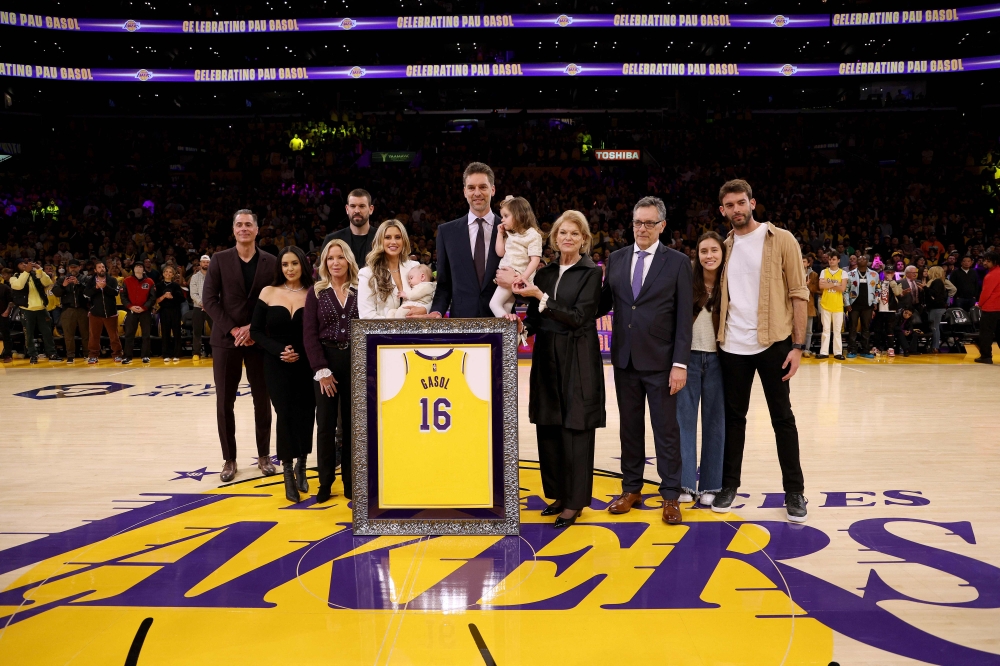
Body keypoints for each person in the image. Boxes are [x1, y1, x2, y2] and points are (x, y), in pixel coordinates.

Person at [711, 179, 810, 523]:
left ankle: (795, 491)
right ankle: (728, 486)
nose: (736, 209)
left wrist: (798, 345)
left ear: (753, 203)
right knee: (733, 420)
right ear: (722, 210)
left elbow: (799, 293)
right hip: (732, 347)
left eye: (742, 202)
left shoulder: (781, 239)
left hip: (774, 343)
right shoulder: (723, 246)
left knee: (783, 418)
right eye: (729, 205)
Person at [504, 210, 605, 528]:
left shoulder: (591, 273)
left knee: (575, 429)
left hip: (577, 357)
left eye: (575, 233)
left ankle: (575, 503)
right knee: (548, 427)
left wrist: (539, 296)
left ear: (584, 239)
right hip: (546, 356)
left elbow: (579, 317)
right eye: (563, 232)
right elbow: (534, 318)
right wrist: (519, 326)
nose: (568, 238)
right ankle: (559, 495)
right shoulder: (545, 273)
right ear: (554, 237)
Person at [599, 196, 693, 526]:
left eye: (649, 223)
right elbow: (601, 303)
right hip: (624, 360)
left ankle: (670, 495)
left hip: (662, 362)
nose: (642, 228)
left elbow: (684, 318)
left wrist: (680, 364)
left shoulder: (679, 262)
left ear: (662, 226)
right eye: (638, 222)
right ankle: (631, 489)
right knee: (630, 429)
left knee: (666, 431)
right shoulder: (618, 257)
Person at [202, 209, 278, 482]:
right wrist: (234, 328)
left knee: (262, 400)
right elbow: (209, 300)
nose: (244, 228)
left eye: (249, 224)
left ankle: (264, 455)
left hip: (260, 341)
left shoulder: (272, 261)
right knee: (225, 402)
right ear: (233, 230)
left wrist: (254, 330)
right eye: (239, 224)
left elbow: (277, 300)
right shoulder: (219, 260)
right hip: (226, 341)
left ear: (257, 230)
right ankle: (229, 459)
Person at [250, 246, 316, 503]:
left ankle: (302, 465)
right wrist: (280, 350)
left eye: (294, 264)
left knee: (305, 414)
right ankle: (287, 471)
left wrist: (298, 350)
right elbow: (256, 331)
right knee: (285, 414)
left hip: (306, 362)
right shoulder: (268, 292)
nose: (289, 269)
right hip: (276, 363)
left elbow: (316, 330)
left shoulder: (314, 293)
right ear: (280, 267)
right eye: (285, 264)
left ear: (303, 265)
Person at [304, 239, 360, 502]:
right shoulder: (316, 292)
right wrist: (321, 369)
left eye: (339, 257)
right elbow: (309, 334)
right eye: (329, 258)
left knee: (351, 425)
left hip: (356, 360)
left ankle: (350, 482)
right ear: (324, 263)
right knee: (325, 425)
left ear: (348, 259)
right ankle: (325, 482)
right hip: (325, 361)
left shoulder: (361, 290)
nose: (335, 262)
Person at [677, 232, 726, 507]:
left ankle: (711, 485)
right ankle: (685, 483)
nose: (709, 256)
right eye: (704, 250)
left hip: (720, 361)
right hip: (689, 359)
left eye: (714, 250)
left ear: (722, 253)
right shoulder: (686, 283)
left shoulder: (730, 284)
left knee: (715, 424)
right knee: (684, 422)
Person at [429, 162, 509, 318]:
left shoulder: (511, 230)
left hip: (501, 322)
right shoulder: (447, 232)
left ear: (492, 190)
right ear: (465, 191)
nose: (477, 193)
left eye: (483, 187)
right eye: (471, 188)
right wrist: (436, 311)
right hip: (462, 323)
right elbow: (444, 284)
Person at [489, 196, 543, 317]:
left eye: (506, 216)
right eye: (502, 216)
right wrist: (500, 234)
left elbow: (535, 260)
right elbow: (500, 252)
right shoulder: (510, 234)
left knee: (494, 304)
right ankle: (508, 333)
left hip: (517, 276)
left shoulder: (533, 235)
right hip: (504, 275)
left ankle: (507, 329)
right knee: (506, 308)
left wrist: (522, 277)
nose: (502, 220)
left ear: (518, 215)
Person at [357, 219, 421, 318]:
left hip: (414, 331)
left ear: (403, 240)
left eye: (398, 237)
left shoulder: (414, 267)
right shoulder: (367, 274)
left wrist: (423, 309)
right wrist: (396, 327)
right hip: (383, 333)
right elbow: (367, 315)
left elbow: (427, 298)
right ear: (380, 241)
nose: (393, 242)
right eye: (387, 237)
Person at [11, 259, 60, 363]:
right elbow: (19, 285)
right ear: (16, 266)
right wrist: (26, 272)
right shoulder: (14, 277)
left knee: (47, 333)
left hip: (41, 309)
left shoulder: (35, 275)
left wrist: (39, 270)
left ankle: (52, 353)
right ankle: (33, 355)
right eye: (21, 263)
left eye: (25, 263)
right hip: (27, 309)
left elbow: (47, 282)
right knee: (28, 334)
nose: (24, 265)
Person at [322, 188, 378, 266]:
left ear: (371, 209)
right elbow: (323, 273)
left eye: (362, 206)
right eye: (353, 206)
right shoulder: (331, 240)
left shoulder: (382, 238)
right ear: (347, 209)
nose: (357, 210)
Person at [84, 261, 124, 363]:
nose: (102, 269)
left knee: (114, 336)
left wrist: (105, 287)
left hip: (110, 312)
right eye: (99, 267)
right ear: (95, 270)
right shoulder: (91, 281)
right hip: (95, 313)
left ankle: (117, 354)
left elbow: (115, 292)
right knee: (94, 336)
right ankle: (93, 355)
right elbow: (86, 294)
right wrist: (96, 288)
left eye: (103, 267)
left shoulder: (112, 280)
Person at [51, 259, 89, 363]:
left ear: (79, 267)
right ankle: (70, 356)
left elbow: (89, 292)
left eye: (75, 267)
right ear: (68, 268)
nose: (73, 269)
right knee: (68, 335)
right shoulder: (61, 279)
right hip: (68, 309)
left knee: (86, 334)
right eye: (71, 267)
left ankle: (87, 354)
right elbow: (56, 293)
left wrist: (79, 284)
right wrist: (63, 286)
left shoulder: (85, 278)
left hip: (83, 309)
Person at [845, 254, 879, 359]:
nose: (862, 259)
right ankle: (852, 350)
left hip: (868, 305)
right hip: (854, 305)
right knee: (852, 328)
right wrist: (847, 303)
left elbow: (878, 289)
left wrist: (875, 302)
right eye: (859, 258)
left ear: (868, 261)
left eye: (864, 258)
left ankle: (865, 350)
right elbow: (846, 290)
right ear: (856, 262)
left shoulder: (874, 274)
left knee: (866, 328)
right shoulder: (850, 274)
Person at [121, 263, 155, 365]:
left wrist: (144, 307)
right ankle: (127, 356)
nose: (139, 268)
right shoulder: (127, 281)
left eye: (141, 266)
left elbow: (152, 297)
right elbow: (123, 296)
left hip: (145, 311)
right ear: (133, 269)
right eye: (137, 266)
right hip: (132, 310)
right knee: (129, 334)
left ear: (143, 269)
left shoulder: (150, 281)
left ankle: (145, 356)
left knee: (146, 335)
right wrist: (130, 306)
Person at [817, 252, 847, 360]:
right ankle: (824, 352)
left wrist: (828, 285)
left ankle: (837, 352)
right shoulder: (823, 272)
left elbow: (842, 288)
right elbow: (821, 286)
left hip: (838, 305)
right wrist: (835, 284)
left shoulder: (843, 273)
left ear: (838, 260)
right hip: (825, 304)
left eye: (833, 259)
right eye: (830, 259)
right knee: (825, 329)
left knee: (837, 330)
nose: (831, 261)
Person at [974, 250, 999, 364]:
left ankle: (986, 356)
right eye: (984, 260)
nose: (984, 263)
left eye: (988, 261)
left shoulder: (991, 275)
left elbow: (986, 292)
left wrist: (980, 303)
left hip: (990, 308)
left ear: (994, 261)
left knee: (985, 333)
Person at [155, 265, 185, 362]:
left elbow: (181, 299)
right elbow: (156, 300)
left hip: (175, 311)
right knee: (165, 332)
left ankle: (177, 354)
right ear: (163, 274)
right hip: (164, 311)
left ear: (173, 275)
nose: (168, 273)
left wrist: (172, 297)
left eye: (170, 272)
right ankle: (166, 354)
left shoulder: (176, 286)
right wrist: (164, 296)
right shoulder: (159, 286)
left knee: (177, 332)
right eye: (166, 272)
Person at [923, 266, 955, 353]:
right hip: (936, 308)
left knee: (934, 327)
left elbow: (934, 293)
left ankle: (935, 347)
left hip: (936, 308)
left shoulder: (937, 281)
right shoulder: (938, 281)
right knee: (934, 327)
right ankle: (934, 346)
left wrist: (925, 288)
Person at [189, 254, 212, 360]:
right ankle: (196, 353)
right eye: (203, 262)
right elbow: (193, 294)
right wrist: (202, 303)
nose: (205, 264)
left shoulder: (215, 276)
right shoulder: (194, 277)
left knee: (216, 330)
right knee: (197, 331)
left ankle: (216, 352)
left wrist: (210, 304)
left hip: (212, 307)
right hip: (198, 307)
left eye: (207, 262)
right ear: (200, 263)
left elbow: (218, 292)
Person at [803, 253, 820, 356]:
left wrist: (808, 286)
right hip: (796, 304)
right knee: (796, 329)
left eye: (804, 261)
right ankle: (796, 348)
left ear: (808, 263)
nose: (802, 263)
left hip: (809, 304)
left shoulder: (813, 275)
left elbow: (817, 289)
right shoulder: (795, 273)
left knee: (808, 330)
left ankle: (806, 349)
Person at [0, 278, 12, 362]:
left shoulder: (5, 287)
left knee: (5, 335)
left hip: (3, 314)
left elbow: (11, 301)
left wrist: (7, 311)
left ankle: (8, 355)